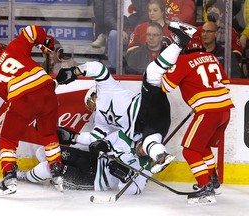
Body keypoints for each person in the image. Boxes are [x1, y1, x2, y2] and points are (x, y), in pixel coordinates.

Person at [55, 20, 197, 174]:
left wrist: (75, 72)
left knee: (152, 73)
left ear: (93, 94)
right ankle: (162, 157)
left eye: (89, 101)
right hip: (150, 125)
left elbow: (97, 68)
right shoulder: (100, 121)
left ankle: (179, 43)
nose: (90, 106)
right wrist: (72, 137)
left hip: (145, 105)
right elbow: (93, 137)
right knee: (150, 142)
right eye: (88, 106)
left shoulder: (106, 87)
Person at [0, 25, 64, 197]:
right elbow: (31, 30)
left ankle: (9, 177)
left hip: (23, 99)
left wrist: (29, 113)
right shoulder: (13, 47)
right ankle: (57, 173)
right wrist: (45, 41)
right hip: (46, 88)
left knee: (8, 138)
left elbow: (12, 101)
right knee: (49, 134)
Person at [158, 38, 234, 204]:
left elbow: (166, 86)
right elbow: (225, 85)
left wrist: (165, 68)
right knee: (202, 146)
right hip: (225, 110)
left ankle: (205, 187)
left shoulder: (184, 60)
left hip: (209, 112)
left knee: (189, 150)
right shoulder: (212, 57)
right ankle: (212, 180)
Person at [17, 129, 152, 194]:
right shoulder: (124, 136)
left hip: (94, 179)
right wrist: (100, 145)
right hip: (90, 160)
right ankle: (51, 176)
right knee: (44, 151)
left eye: (147, 151)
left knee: (46, 168)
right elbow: (105, 143)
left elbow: (133, 190)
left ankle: (25, 176)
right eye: (143, 147)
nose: (143, 152)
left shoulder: (146, 166)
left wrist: (124, 177)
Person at [193, 0, 243, 68]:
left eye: (215, 9)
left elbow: (237, 54)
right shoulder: (199, 30)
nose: (211, 12)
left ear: (221, 14)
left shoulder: (229, 31)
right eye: (209, 9)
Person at [104, 0, 148, 73]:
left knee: (144, 33)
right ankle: (113, 69)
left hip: (136, 29)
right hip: (118, 29)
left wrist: (135, 31)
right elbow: (108, 16)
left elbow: (145, 15)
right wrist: (119, 29)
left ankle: (135, 68)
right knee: (113, 35)